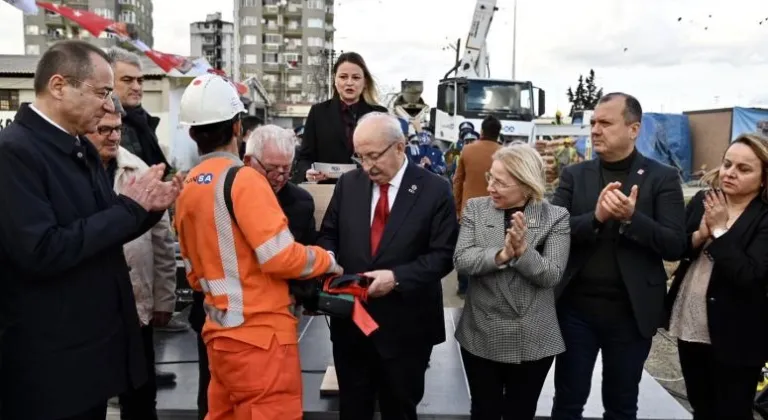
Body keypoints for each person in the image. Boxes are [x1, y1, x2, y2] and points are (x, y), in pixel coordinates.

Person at [0, 40, 181, 420]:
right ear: (59, 86)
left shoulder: (77, 148)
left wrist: (148, 209)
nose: (108, 105)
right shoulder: (14, 152)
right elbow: (42, 249)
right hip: (51, 366)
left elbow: (104, 226)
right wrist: (131, 208)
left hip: (89, 357)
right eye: (101, 92)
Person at [174, 73, 342, 420]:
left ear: (192, 132)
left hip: (219, 336)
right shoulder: (244, 180)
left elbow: (192, 274)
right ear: (238, 127)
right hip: (261, 340)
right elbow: (279, 255)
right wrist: (325, 260)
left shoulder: (189, 185)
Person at [550, 92, 687, 420]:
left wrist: (631, 218)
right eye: (593, 122)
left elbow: (674, 245)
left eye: (605, 122)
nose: (595, 129)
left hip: (631, 314)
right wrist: (595, 218)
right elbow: (550, 229)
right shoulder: (574, 175)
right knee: (568, 400)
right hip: (576, 311)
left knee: (622, 403)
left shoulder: (662, 178)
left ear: (633, 129)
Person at [317, 112, 459, 420]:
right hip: (351, 326)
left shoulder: (435, 189)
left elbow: (444, 254)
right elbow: (329, 232)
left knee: (399, 410)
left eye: (373, 156)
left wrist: (396, 278)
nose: (367, 166)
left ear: (400, 147)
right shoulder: (348, 184)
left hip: (406, 329)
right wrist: (329, 260)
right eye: (360, 157)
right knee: (353, 409)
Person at [454, 144, 570, 420]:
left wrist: (522, 253)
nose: (491, 187)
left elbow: (552, 274)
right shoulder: (476, 209)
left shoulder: (555, 217)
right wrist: (502, 254)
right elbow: (462, 259)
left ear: (526, 185)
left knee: (521, 411)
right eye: (490, 178)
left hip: (532, 339)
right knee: (484, 410)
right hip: (481, 331)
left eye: (501, 182)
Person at [85, 95, 177, 420]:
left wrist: (165, 299)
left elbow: (163, 242)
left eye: (118, 129)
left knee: (140, 392)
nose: (112, 136)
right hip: (92, 309)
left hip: (136, 304)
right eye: (104, 129)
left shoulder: (137, 170)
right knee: (90, 394)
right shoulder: (75, 172)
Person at [666, 134, 768, 419]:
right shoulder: (703, 199)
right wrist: (699, 235)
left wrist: (721, 232)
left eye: (743, 169)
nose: (730, 173)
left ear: (764, 178)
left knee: (732, 411)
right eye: (727, 164)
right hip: (691, 321)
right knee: (701, 406)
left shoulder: (764, 216)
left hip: (737, 332)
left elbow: (750, 275)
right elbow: (679, 248)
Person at [294, 52, 387, 184]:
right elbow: (304, 158)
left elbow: (388, 156)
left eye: (355, 78)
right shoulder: (318, 112)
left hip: (369, 188)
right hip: (328, 191)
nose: (349, 83)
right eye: (343, 77)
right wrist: (308, 172)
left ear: (365, 82)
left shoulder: (380, 115)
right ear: (335, 80)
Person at [453, 116, 502, 296]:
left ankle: (464, 287)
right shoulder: (504, 153)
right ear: (498, 133)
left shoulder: (467, 150)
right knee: (491, 249)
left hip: (469, 209)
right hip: (495, 209)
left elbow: (458, 181)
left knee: (465, 249)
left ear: (481, 131)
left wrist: (457, 208)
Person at [107, 47, 171, 173]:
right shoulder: (100, 124)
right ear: (108, 81)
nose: (137, 87)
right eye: (127, 80)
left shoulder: (143, 121)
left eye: (140, 81)